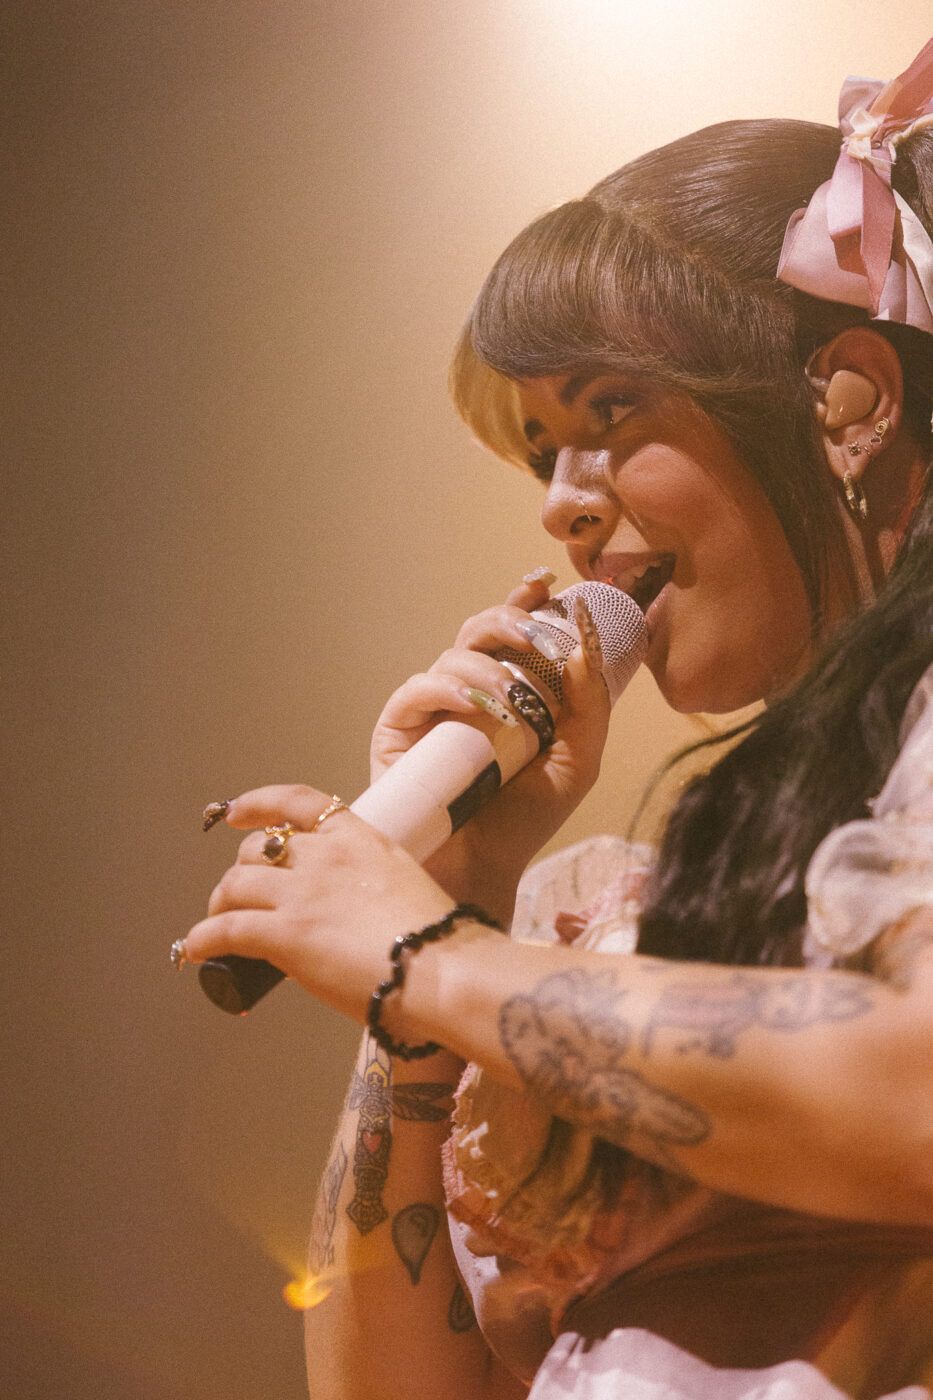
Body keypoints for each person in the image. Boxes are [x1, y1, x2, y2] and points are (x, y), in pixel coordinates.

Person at [178, 38, 933, 1400]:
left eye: (610, 413)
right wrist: (452, 906)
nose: (560, 504)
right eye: (541, 452)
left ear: (849, 398)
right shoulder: (611, 913)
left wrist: (424, 957)